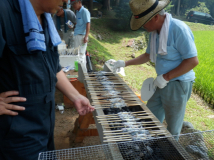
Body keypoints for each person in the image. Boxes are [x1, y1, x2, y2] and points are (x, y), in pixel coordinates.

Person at [0, 0, 94, 159]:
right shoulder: (4, 12)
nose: (66, 1)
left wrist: (75, 96)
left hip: (45, 128)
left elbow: (54, 68)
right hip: (16, 136)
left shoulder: (46, 19)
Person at [113, 0, 199, 139]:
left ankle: (170, 153)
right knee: (150, 117)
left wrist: (165, 77)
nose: (143, 26)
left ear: (155, 17)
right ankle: (151, 145)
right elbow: (147, 55)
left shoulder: (178, 29)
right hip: (162, 81)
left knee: (172, 126)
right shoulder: (154, 32)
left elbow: (192, 61)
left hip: (177, 83)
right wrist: (125, 63)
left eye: (144, 22)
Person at [71, 0, 91, 71]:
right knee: (77, 55)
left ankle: (83, 72)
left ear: (79, 2)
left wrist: (86, 36)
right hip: (76, 35)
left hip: (81, 36)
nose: (73, 5)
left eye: (74, 3)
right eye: (72, 4)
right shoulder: (77, 12)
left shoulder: (84, 11)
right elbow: (78, 24)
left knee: (81, 54)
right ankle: (80, 71)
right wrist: (73, 26)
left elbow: (88, 23)